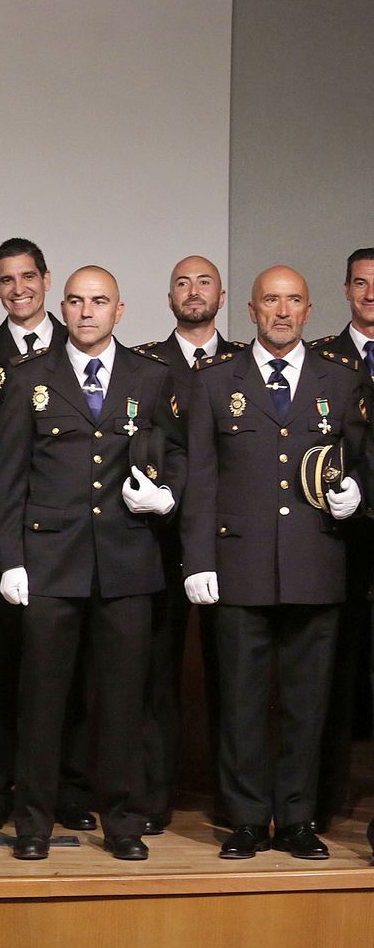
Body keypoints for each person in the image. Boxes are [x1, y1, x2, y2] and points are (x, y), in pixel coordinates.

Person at [0, 266, 184, 861]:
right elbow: (10, 477)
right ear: (63, 305)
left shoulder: (151, 377)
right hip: (50, 562)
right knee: (42, 702)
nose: (85, 311)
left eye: (99, 302)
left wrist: (167, 495)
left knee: (124, 703)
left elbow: (177, 451)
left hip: (128, 561)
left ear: (119, 311)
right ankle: (33, 824)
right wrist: (10, 559)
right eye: (75, 301)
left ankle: (123, 822)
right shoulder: (30, 378)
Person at [182, 265, 369, 861]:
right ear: (253, 311)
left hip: (316, 562)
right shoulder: (215, 381)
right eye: (271, 301)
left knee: (306, 704)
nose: (282, 312)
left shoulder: (340, 381)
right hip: (238, 565)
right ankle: (243, 819)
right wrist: (197, 559)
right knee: (239, 701)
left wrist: (360, 492)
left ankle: (295, 820)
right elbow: (201, 478)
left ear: (310, 310)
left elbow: (364, 460)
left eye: (293, 301)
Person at [0, 237, 92, 832]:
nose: (19, 289)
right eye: (7, 280)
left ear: (46, 280)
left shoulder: (85, 345)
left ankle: (67, 787)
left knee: (70, 672)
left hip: (70, 540)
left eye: (29, 277)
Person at [134, 255, 243, 833]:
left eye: (204, 282)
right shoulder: (148, 365)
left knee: (235, 675)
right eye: (182, 282)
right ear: (169, 295)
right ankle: (153, 798)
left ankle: (235, 800)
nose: (193, 291)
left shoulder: (247, 364)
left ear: (222, 297)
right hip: (157, 536)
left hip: (227, 539)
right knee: (156, 671)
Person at [305, 246, 374, 835]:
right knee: (334, 671)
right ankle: (324, 801)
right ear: (345, 290)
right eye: (360, 283)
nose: (371, 293)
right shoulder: (321, 360)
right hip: (336, 538)